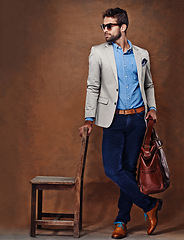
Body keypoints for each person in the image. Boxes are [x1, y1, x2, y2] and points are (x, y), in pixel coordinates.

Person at [79, 7, 163, 239]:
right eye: (103, 26)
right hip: (113, 119)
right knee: (112, 169)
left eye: (109, 26)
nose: (105, 30)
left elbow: (148, 85)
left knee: (129, 170)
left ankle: (121, 221)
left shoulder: (141, 54)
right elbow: (93, 87)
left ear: (122, 27)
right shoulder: (98, 52)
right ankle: (149, 205)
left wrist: (153, 108)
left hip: (138, 119)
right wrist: (89, 118)